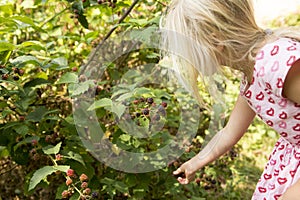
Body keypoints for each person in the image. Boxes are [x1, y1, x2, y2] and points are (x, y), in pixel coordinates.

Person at [160, 0, 300, 199]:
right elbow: (228, 133)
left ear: (215, 41)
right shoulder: (251, 76)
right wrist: (195, 162)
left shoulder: (275, 63)